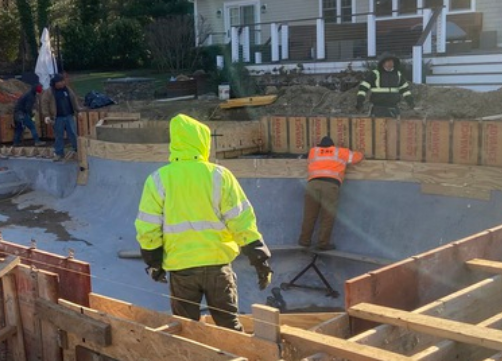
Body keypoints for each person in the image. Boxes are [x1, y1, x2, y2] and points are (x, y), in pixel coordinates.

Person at [135, 114, 272, 331]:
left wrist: (154, 262)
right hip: (218, 265)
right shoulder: (220, 176)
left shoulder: (158, 179)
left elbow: (148, 227)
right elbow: (241, 220)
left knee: (187, 329)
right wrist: (259, 258)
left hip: (182, 269)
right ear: (203, 142)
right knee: (229, 326)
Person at [298, 136, 363, 251]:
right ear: (333, 145)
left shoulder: (314, 151)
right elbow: (358, 157)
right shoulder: (340, 152)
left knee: (309, 215)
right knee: (327, 216)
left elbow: (305, 157)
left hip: (312, 185)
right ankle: (322, 243)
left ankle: (304, 241)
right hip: (330, 186)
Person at [40, 73, 81, 161]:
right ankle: (59, 153)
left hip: (69, 115)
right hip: (58, 118)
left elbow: (73, 99)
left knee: (73, 134)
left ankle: (77, 149)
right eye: (60, 82)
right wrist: (46, 115)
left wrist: (78, 110)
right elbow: (44, 103)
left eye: (63, 81)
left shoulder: (67, 89)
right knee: (59, 136)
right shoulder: (49, 92)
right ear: (55, 83)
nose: (62, 83)